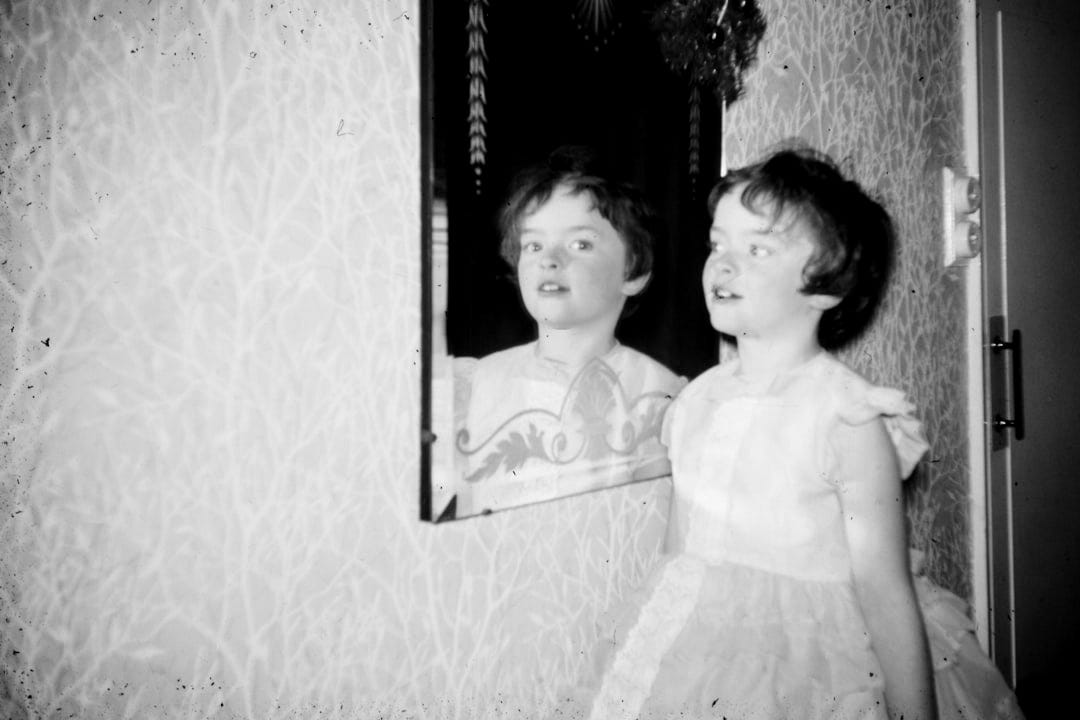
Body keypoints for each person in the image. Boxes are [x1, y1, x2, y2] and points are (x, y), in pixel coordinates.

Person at [572, 146, 1024, 719]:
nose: (724, 264)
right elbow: (677, 554)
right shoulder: (693, 401)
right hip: (705, 659)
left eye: (757, 248)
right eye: (718, 244)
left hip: (821, 668)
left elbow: (884, 591)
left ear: (825, 286)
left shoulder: (846, 416)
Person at [448, 147, 685, 518]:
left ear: (633, 272)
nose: (550, 258)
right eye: (534, 244)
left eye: (581, 244)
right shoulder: (474, 386)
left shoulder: (663, 397)